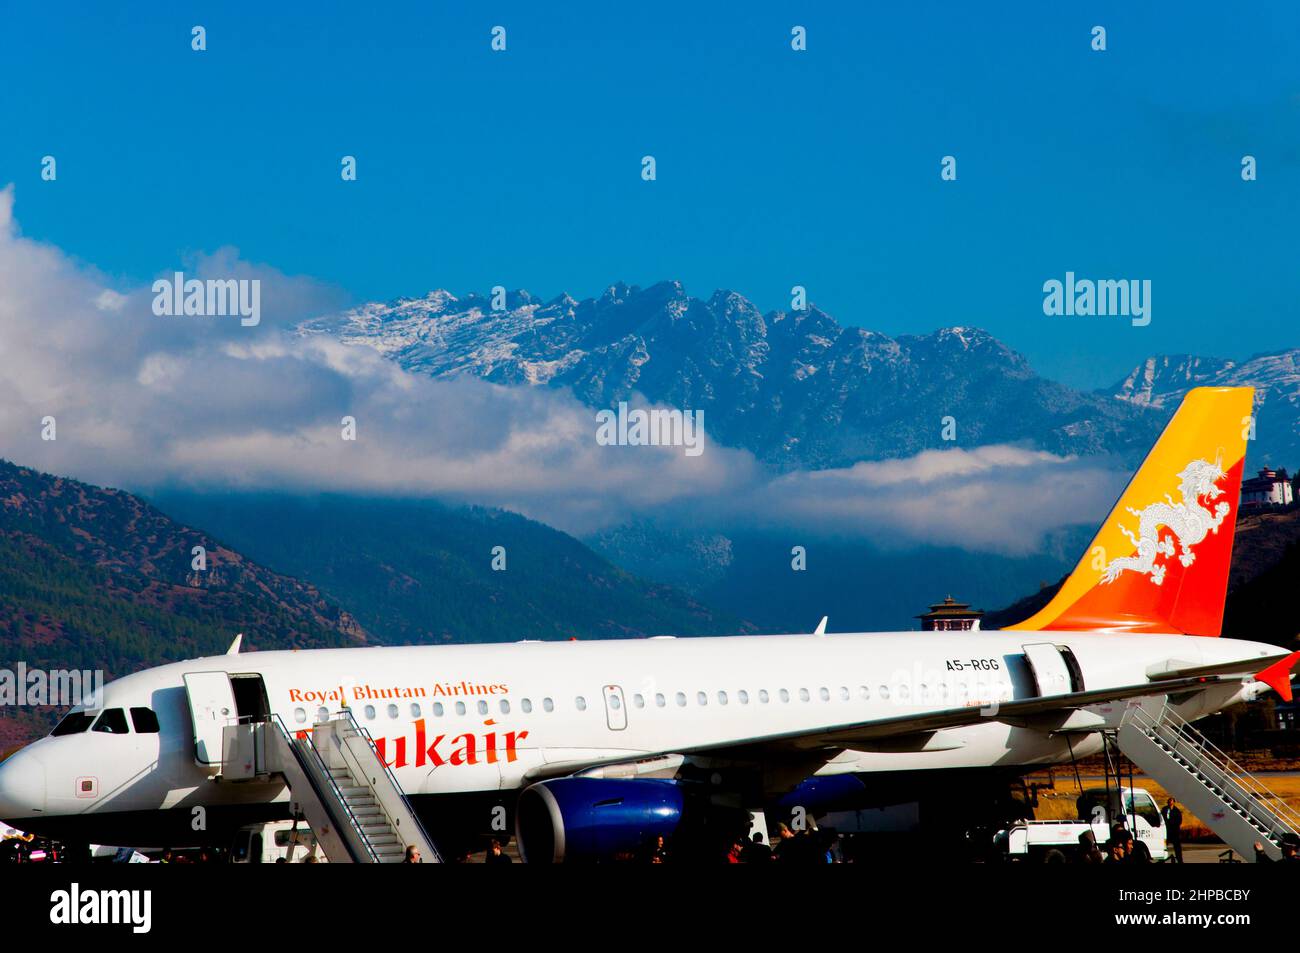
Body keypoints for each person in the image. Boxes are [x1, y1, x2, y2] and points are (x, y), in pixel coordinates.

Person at [1161, 798, 1184, 863]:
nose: (1170, 803)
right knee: (1164, 846)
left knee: (1177, 848)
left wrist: (1173, 824)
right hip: (1167, 831)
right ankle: (1162, 859)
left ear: (1174, 802)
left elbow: (1179, 821)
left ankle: (1180, 860)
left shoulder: (1177, 811)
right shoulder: (1164, 809)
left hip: (1175, 831)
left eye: (1171, 802)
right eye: (1169, 802)